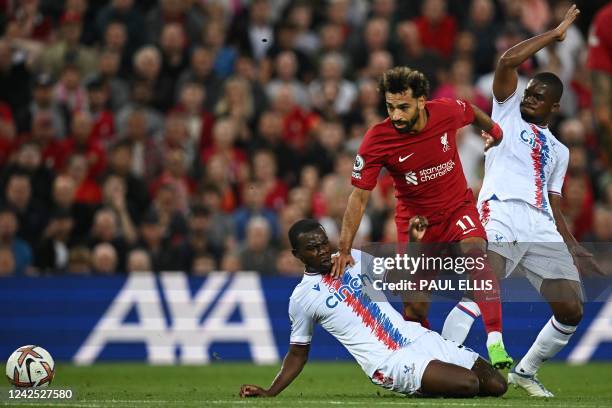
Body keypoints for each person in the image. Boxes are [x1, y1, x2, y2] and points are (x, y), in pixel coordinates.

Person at [441, 5, 600, 397]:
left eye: (539, 96)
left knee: (571, 310)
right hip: (500, 211)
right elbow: (508, 60)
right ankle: (443, 363)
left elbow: (555, 202)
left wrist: (573, 245)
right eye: (529, 93)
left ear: (555, 106)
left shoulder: (561, 151)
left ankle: (526, 371)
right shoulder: (507, 110)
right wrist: (554, 33)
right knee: (481, 290)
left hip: (542, 225)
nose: (530, 99)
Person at [330, 66, 512, 368]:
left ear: (422, 101)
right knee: (414, 307)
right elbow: (359, 196)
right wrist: (345, 247)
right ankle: (433, 362)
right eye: (390, 107)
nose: (397, 115)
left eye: (403, 106)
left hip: (457, 209)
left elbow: (472, 111)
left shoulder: (446, 111)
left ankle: (495, 341)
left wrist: (495, 132)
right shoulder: (378, 139)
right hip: (417, 226)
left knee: (476, 254)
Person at [239, 219, 507, 398]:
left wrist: (416, 243)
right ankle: (426, 380)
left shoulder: (354, 258)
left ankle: (435, 376)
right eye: (312, 248)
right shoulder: (302, 298)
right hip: (388, 361)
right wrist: (270, 392)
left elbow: (401, 279)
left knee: (497, 385)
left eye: (323, 243)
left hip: (415, 336)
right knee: (468, 384)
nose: (322, 251)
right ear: (297, 255)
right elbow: (298, 355)